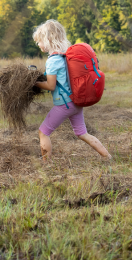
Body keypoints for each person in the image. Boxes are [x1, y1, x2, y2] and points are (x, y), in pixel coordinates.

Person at [33, 20, 112, 161]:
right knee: (82, 133)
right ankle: (108, 156)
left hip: (64, 104)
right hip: (76, 102)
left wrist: (34, 83)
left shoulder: (52, 61)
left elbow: (51, 85)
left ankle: (46, 165)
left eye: (39, 41)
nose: (38, 45)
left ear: (48, 39)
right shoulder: (65, 56)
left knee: (43, 132)